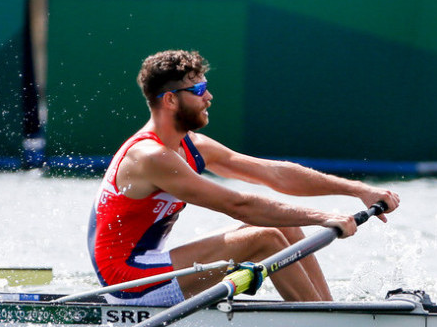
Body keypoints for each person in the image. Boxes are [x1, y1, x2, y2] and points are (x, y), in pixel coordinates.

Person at [88, 49, 400, 306]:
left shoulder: (192, 145)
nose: (209, 96)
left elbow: (274, 174)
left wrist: (359, 190)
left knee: (279, 226)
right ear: (170, 100)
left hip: (150, 263)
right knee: (263, 239)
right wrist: (322, 217)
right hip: (126, 279)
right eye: (198, 90)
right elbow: (238, 205)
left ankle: (325, 309)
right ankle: (324, 324)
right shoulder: (150, 157)